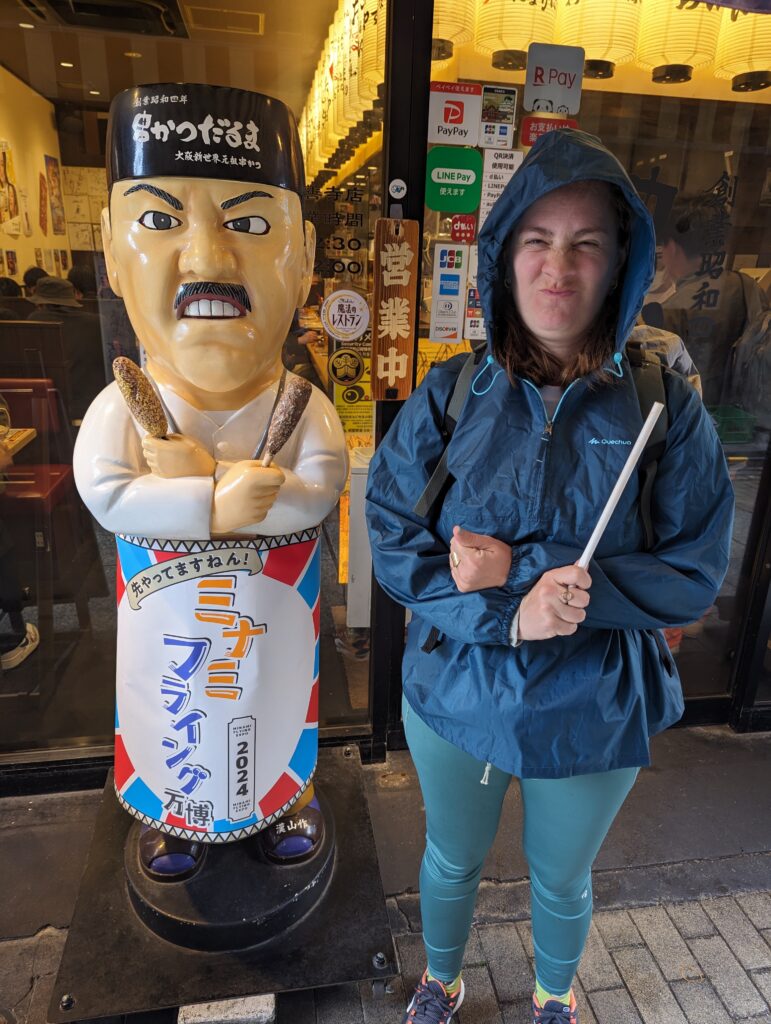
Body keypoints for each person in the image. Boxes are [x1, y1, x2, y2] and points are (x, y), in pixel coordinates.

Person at [365, 129, 734, 1024]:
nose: (557, 267)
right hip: (456, 687)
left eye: (585, 244)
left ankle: (553, 997)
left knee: (561, 876)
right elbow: (391, 534)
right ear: (503, 257)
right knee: (450, 858)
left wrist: (530, 574)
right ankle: (441, 981)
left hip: (594, 702)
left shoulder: (661, 406)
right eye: (536, 240)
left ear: (621, 264)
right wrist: (506, 614)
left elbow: (692, 571)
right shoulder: (452, 393)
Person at [73, 83, 347, 875]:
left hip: (270, 622)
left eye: (251, 225)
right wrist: (212, 501)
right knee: (172, 711)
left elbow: (320, 483)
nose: (207, 259)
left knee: (274, 698)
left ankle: (282, 798)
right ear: (111, 251)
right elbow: (107, 490)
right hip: (170, 632)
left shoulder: (306, 408)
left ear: (305, 258)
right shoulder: (122, 408)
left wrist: (252, 498)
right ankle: (174, 815)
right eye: (159, 222)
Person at [644, 196, 769, 405]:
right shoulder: (748, 287)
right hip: (744, 417)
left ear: (672, 248)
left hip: (695, 416)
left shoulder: (670, 311)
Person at [27, 276, 105, 420]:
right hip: (95, 404)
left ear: (41, 303)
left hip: (50, 408)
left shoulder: (34, 322)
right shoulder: (96, 322)